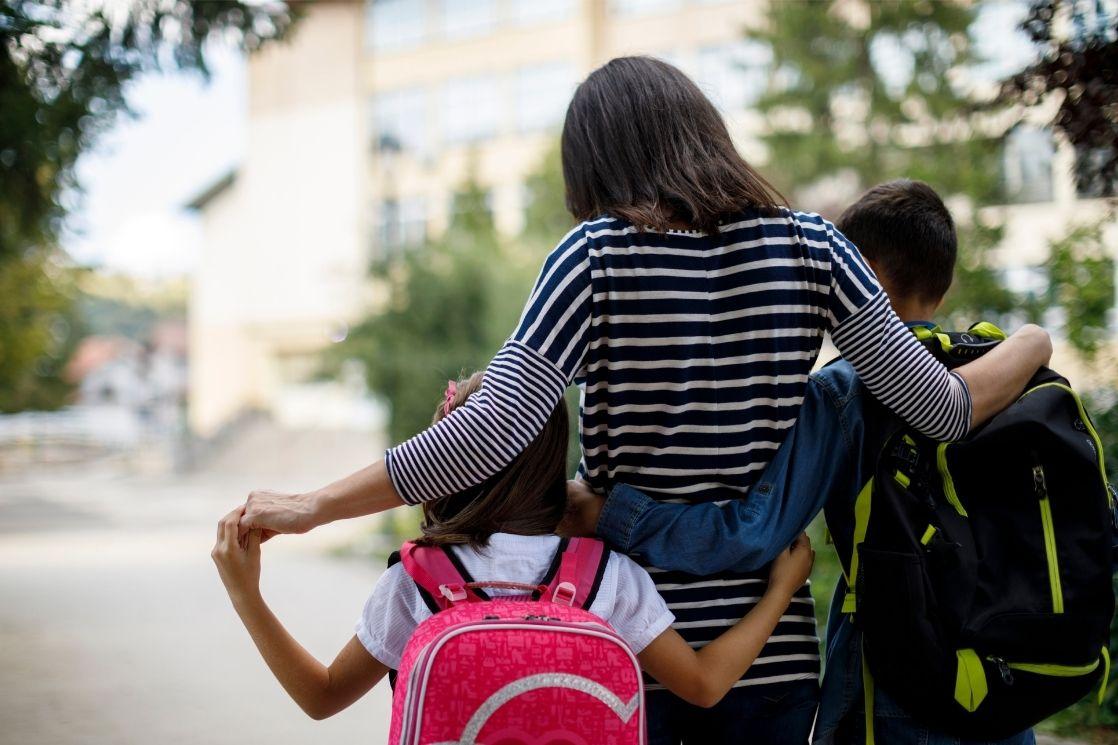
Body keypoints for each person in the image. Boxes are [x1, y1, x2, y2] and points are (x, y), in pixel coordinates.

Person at [235, 57, 1051, 742]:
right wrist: (1032, 343)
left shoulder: (594, 257)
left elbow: (490, 432)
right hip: (773, 657)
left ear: (595, 163)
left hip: (625, 640)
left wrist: (313, 504)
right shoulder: (815, 247)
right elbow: (940, 407)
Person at [562, 180, 1042, 744]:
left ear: (860, 270)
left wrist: (607, 516)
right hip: (1001, 680)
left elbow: (751, 533)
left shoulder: (844, 394)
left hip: (897, 675)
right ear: (945, 279)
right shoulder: (1004, 373)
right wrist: (1035, 339)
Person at [212, 372, 817, 725]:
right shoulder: (606, 575)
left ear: (443, 464)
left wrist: (246, 594)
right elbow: (705, 685)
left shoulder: (417, 580)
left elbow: (321, 698)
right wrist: (780, 593)